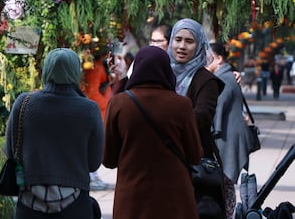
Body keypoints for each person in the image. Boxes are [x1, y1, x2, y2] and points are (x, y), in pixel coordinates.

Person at [103, 46, 203, 219]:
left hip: (132, 199)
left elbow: (109, 160)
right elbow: (194, 155)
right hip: (174, 199)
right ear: (166, 69)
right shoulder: (182, 105)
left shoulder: (118, 103)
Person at [4, 48, 104, 219]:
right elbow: (94, 163)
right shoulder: (89, 110)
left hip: (29, 204)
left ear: (46, 70)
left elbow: (10, 151)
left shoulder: (24, 103)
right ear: (75, 71)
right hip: (75, 205)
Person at [166, 18, 225, 218]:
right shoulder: (162, 73)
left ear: (199, 45)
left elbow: (203, 115)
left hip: (191, 162)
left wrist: (166, 117)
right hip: (162, 159)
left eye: (189, 41)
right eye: (178, 39)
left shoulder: (206, 80)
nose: (182, 46)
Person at [206, 43, 253, 219]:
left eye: (208, 58)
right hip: (230, 138)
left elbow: (216, 110)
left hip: (227, 140)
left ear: (219, 59)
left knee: (225, 185)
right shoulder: (227, 75)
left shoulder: (223, 79)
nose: (204, 62)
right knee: (226, 185)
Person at [82, 45, 112, 191]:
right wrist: (107, 104)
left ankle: (93, 175)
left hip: (98, 107)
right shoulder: (96, 67)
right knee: (93, 144)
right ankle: (92, 176)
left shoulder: (97, 66)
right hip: (98, 109)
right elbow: (92, 91)